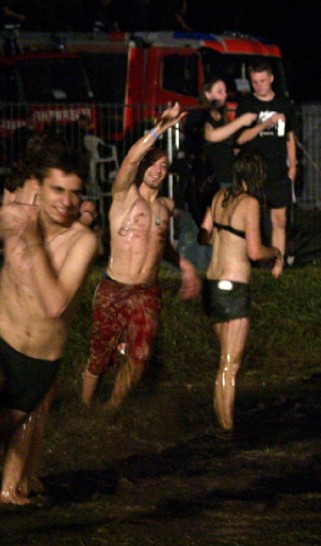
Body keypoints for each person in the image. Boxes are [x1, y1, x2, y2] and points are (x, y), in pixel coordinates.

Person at [81, 103, 201, 410]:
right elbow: (132, 157)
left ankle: (111, 410)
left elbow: (162, 246)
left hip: (147, 292)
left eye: (163, 166)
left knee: (140, 356)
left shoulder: (164, 207)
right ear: (142, 168)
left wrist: (184, 265)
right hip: (115, 289)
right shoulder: (123, 195)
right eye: (153, 164)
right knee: (99, 356)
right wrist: (160, 127)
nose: (159, 171)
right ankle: (84, 409)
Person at [0, 145, 98, 505]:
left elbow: (56, 303)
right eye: (58, 190)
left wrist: (32, 239)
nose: (67, 201)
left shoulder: (83, 241)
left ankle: (11, 490)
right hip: (1, 339)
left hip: (38, 362)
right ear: (38, 187)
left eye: (75, 192)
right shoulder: (14, 218)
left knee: (16, 430)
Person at [198, 150, 283, 431]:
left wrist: (224, 242)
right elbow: (255, 251)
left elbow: (204, 234)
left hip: (212, 285)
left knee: (224, 362)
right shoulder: (249, 203)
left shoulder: (219, 197)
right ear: (257, 175)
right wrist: (277, 252)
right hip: (233, 287)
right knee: (230, 365)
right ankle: (226, 428)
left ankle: (221, 422)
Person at [236, 60, 298, 274]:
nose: (259, 86)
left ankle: (278, 266)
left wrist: (293, 164)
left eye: (263, 81)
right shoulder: (247, 106)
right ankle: (252, 263)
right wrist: (264, 124)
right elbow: (241, 138)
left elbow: (289, 136)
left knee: (279, 220)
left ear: (271, 79)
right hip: (254, 173)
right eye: (255, 82)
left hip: (278, 170)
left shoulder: (284, 104)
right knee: (252, 221)